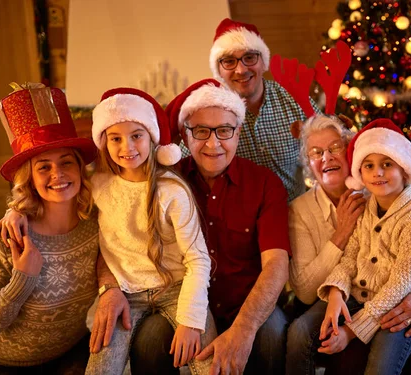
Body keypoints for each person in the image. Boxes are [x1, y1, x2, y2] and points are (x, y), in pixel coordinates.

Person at [103, 79, 289, 375]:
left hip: (247, 303)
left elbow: (276, 265)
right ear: (185, 136)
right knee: (150, 341)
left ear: (238, 132)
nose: (213, 144)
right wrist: (109, 288)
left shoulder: (265, 184)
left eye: (224, 130)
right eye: (201, 131)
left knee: (273, 335)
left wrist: (244, 328)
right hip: (177, 301)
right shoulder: (165, 181)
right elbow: (115, 239)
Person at [287, 115, 411, 375]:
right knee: (322, 344)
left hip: (392, 300)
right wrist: (336, 285)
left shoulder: (379, 192)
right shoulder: (302, 209)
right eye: (316, 152)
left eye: (334, 148)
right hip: (349, 297)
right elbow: (307, 290)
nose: (326, 157)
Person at [81, 88, 215, 375]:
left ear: (152, 138)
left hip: (177, 288)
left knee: (208, 366)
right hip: (126, 294)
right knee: (99, 369)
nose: (126, 147)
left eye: (136, 136)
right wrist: (15, 211)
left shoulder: (172, 190)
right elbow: (52, 205)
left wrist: (191, 321)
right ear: (104, 143)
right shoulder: (98, 187)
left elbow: (198, 260)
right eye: (115, 138)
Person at [0, 83, 99, 374]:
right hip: (4, 365)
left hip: (70, 356)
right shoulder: (10, 235)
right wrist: (22, 279)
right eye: (43, 167)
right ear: (29, 178)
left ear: (80, 169)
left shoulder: (96, 223)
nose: (58, 174)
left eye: (66, 162)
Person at [208, 18, 321, 201]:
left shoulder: (295, 100)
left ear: (263, 61)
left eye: (250, 57)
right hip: (241, 223)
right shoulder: (208, 113)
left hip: (298, 214)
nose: (241, 69)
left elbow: (326, 149)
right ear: (219, 70)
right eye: (229, 61)